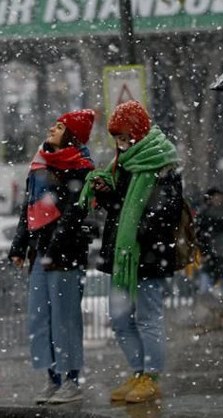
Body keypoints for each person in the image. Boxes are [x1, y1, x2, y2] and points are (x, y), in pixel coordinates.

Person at [79, 100, 182, 404]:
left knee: (149, 316)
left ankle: (152, 376)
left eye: (125, 137)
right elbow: (119, 208)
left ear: (138, 132)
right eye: (117, 139)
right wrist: (106, 193)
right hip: (123, 255)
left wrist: (139, 229)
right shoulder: (124, 163)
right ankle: (138, 372)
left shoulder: (162, 162)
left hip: (148, 255)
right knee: (120, 317)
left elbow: (168, 212)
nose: (121, 144)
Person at [8, 109, 96, 405]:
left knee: (65, 318)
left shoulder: (80, 167)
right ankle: (52, 378)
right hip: (40, 253)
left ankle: (71, 379)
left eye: (59, 127)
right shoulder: (39, 164)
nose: (52, 128)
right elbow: (28, 209)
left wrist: (57, 241)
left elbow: (76, 210)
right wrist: (19, 246)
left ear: (71, 135)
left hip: (66, 255)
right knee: (39, 318)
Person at [196, 187, 223, 297]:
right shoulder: (205, 214)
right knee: (207, 279)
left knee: (222, 280)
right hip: (211, 251)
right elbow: (201, 234)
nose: (217, 200)